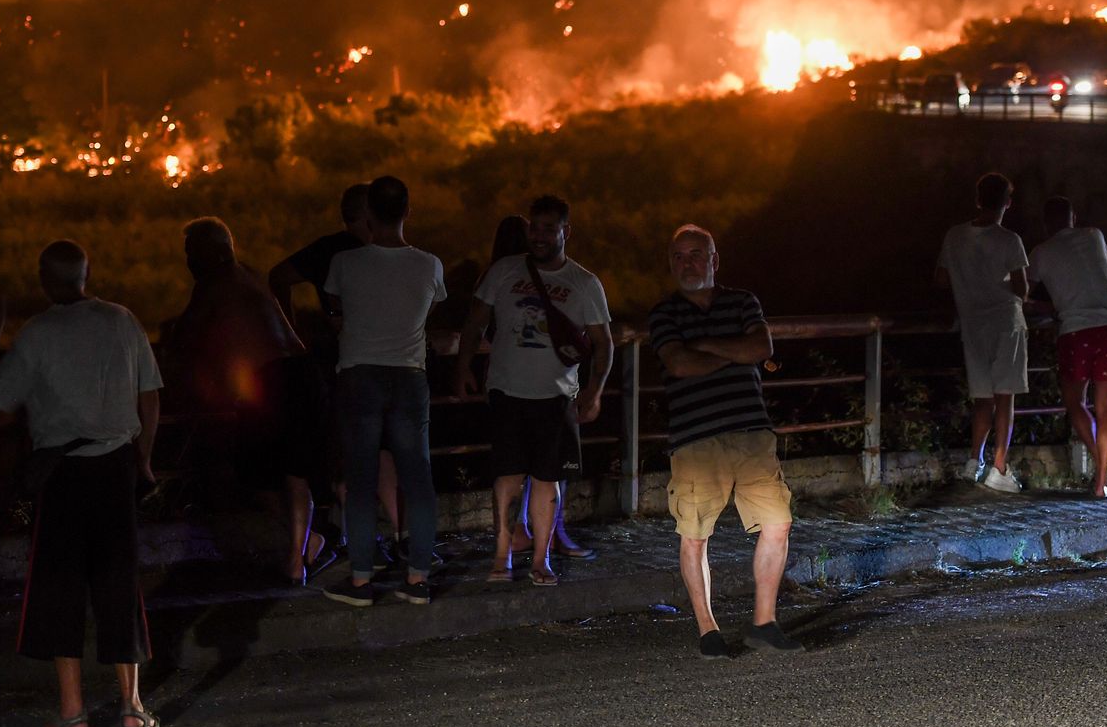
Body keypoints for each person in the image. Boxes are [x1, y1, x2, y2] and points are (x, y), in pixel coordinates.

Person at [0, 240, 162, 727]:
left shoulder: (38, 333)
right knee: (118, 581)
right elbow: (150, 395)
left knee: (59, 586)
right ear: (86, 274)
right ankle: (131, 705)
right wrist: (143, 459)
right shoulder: (122, 319)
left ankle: (73, 712)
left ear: (44, 278)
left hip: (62, 474)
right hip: (116, 467)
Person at [649, 224, 801, 659]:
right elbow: (677, 364)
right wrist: (732, 350)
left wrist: (705, 347)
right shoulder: (664, 312)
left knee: (778, 521)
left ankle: (764, 623)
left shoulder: (742, 300)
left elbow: (761, 347)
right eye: (678, 256)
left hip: (751, 430)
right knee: (695, 534)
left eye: (697, 254)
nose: (687, 263)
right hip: (696, 438)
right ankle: (707, 629)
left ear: (715, 260)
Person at [454, 197, 614, 586]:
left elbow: (603, 342)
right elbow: (475, 321)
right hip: (508, 390)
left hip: (556, 395)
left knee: (547, 480)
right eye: (535, 228)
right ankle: (501, 558)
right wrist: (462, 367)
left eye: (548, 228)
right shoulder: (504, 271)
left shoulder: (584, 282)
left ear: (566, 231)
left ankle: (541, 561)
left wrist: (593, 391)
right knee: (507, 477)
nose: (539, 236)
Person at [167, 217, 333, 584]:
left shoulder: (215, 284)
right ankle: (304, 547)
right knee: (292, 472)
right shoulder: (249, 276)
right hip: (300, 372)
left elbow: (185, 336)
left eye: (191, 254)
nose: (189, 262)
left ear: (210, 253)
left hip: (273, 378)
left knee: (259, 474)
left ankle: (297, 558)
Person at [322, 176, 447, 606]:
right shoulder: (430, 265)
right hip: (410, 376)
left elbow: (335, 310)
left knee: (360, 480)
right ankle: (417, 579)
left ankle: (360, 580)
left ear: (369, 214)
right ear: (408, 212)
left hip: (359, 376)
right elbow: (429, 309)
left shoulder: (345, 263)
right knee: (418, 478)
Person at [269, 184, 404, 566]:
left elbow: (278, 276)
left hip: (347, 363)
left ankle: (356, 537)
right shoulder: (364, 253)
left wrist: (293, 335)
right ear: (367, 215)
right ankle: (370, 541)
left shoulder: (328, 250)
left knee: (357, 451)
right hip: (362, 365)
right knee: (367, 450)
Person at [1027, 197, 1107, 499]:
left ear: (1046, 222)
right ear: (1073, 216)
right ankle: (1103, 481)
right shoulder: (1094, 235)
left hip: (1075, 329)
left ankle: (1101, 467)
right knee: (1106, 407)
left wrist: (1051, 305)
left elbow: (1022, 297)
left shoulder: (1040, 253)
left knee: (1075, 402)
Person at [936, 172, 1030, 493]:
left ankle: (972, 462)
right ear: (1007, 202)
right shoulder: (1009, 240)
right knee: (1005, 397)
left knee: (982, 399)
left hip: (972, 325)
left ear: (978, 199)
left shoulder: (954, 236)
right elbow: (1021, 288)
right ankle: (999, 467)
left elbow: (941, 279)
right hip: (1006, 323)